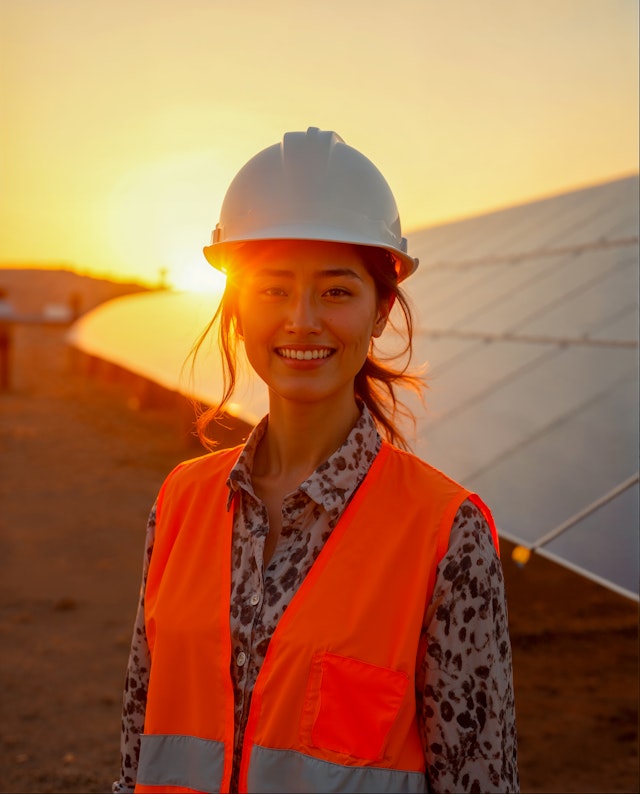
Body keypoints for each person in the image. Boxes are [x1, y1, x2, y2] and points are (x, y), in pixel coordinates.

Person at [113, 127, 519, 794]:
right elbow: (138, 736)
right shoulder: (182, 501)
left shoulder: (446, 535)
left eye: (336, 291)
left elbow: (480, 779)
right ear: (238, 309)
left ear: (381, 310)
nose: (302, 320)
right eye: (273, 289)